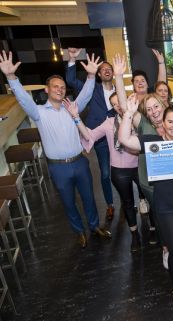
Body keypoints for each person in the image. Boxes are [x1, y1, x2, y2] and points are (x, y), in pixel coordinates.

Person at [0, 50, 111, 248]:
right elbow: (24, 100)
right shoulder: (39, 112)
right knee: (69, 203)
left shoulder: (71, 107)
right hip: (58, 168)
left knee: (89, 199)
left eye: (62, 87)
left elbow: (85, 95)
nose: (60, 90)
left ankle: (94, 226)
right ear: (46, 90)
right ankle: (79, 232)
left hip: (80, 162)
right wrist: (11, 77)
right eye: (55, 87)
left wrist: (92, 75)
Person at [118, 96, 173, 310]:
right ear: (163, 123)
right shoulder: (151, 142)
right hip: (167, 207)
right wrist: (128, 114)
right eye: (171, 122)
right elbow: (126, 140)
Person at [64, 93, 146, 251]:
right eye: (114, 105)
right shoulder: (109, 123)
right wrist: (76, 118)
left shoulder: (138, 120)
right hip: (119, 170)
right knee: (128, 204)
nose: (118, 106)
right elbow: (90, 135)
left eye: (119, 103)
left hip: (140, 166)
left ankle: (152, 229)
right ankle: (135, 236)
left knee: (149, 197)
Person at [113, 54, 165, 263]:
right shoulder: (143, 124)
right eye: (149, 109)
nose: (153, 112)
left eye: (156, 107)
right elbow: (125, 108)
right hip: (151, 184)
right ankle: (166, 248)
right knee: (160, 218)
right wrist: (118, 77)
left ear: (163, 104)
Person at [65, 47, 116, 220]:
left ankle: (132, 200)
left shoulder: (121, 91)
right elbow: (71, 80)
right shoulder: (92, 88)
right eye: (103, 70)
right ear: (99, 75)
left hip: (119, 138)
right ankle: (110, 204)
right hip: (99, 138)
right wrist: (72, 59)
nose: (106, 71)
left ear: (114, 73)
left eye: (109, 69)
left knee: (124, 171)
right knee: (105, 173)